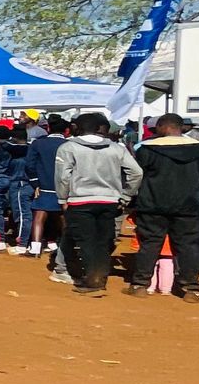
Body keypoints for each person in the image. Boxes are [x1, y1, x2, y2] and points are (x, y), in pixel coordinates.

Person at [127, 113, 199, 302]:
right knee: (188, 245)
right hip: (188, 205)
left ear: (162, 127)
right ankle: (191, 289)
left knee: (150, 243)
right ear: (180, 127)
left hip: (153, 204)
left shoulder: (147, 149)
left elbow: (139, 176)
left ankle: (140, 285)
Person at [56, 113, 143, 296]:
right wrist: (126, 195)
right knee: (103, 241)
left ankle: (92, 280)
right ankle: (100, 277)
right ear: (99, 129)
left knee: (86, 241)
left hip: (80, 200)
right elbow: (136, 172)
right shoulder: (116, 148)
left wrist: (62, 199)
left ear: (77, 128)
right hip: (110, 201)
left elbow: (63, 177)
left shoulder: (68, 147)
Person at [23, 116, 71, 264]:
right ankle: (66, 249)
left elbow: (29, 165)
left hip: (43, 185)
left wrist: (35, 183)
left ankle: (35, 249)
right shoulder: (70, 145)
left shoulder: (38, 144)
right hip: (66, 187)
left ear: (48, 128)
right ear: (66, 131)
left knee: (39, 216)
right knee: (63, 218)